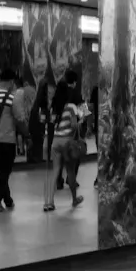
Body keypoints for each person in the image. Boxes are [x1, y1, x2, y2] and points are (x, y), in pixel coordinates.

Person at [44, 69, 87, 212]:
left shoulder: (55, 106)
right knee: (70, 171)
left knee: (55, 171)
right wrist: (77, 130)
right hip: (68, 142)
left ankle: (49, 203)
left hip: (55, 141)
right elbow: (79, 120)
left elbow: (50, 122)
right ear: (74, 82)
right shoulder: (73, 103)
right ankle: (74, 199)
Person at [0, 67, 29, 211]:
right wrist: (27, 135)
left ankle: (8, 200)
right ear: (11, 82)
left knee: (2, 171)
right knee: (5, 172)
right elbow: (20, 119)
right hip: (7, 141)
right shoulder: (12, 98)